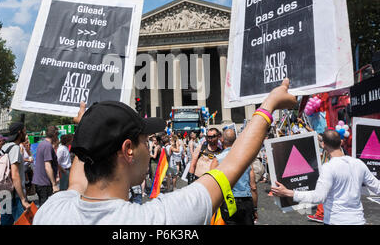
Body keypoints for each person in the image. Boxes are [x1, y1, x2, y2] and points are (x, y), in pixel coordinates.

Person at [33, 79, 296, 225]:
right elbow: (233, 164)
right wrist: (269, 103)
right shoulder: (155, 219)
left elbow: (78, 180)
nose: (149, 148)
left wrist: (86, 126)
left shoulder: (53, 209)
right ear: (128, 151)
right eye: (145, 141)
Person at [271, 129, 380, 225]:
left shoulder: (329, 167)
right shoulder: (358, 163)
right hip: (358, 220)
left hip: (336, 221)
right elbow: (377, 187)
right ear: (341, 142)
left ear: (323, 145)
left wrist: (287, 192)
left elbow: (318, 197)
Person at [210, 128, 258, 225]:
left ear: (222, 140)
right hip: (246, 201)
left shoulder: (217, 160)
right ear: (236, 140)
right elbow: (253, 187)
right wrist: (255, 208)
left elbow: (211, 186)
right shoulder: (246, 159)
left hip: (228, 201)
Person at [0, 122, 31, 225]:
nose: (25, 134)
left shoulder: (4, 147)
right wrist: (23, 199)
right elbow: (15, 175)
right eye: (24, 131)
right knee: (24, 222)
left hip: (4, 192)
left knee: (6, 222)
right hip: (14, 195)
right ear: (19, 132)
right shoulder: (15, 148)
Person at [32, 125, 59, 206]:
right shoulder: (47, 146)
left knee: (43, 206)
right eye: (57, 134)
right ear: (55, 134)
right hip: (44, 183)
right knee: (45, 207)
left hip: (40, 182)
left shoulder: (42, 144)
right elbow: (47, 166)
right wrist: (54, 184)